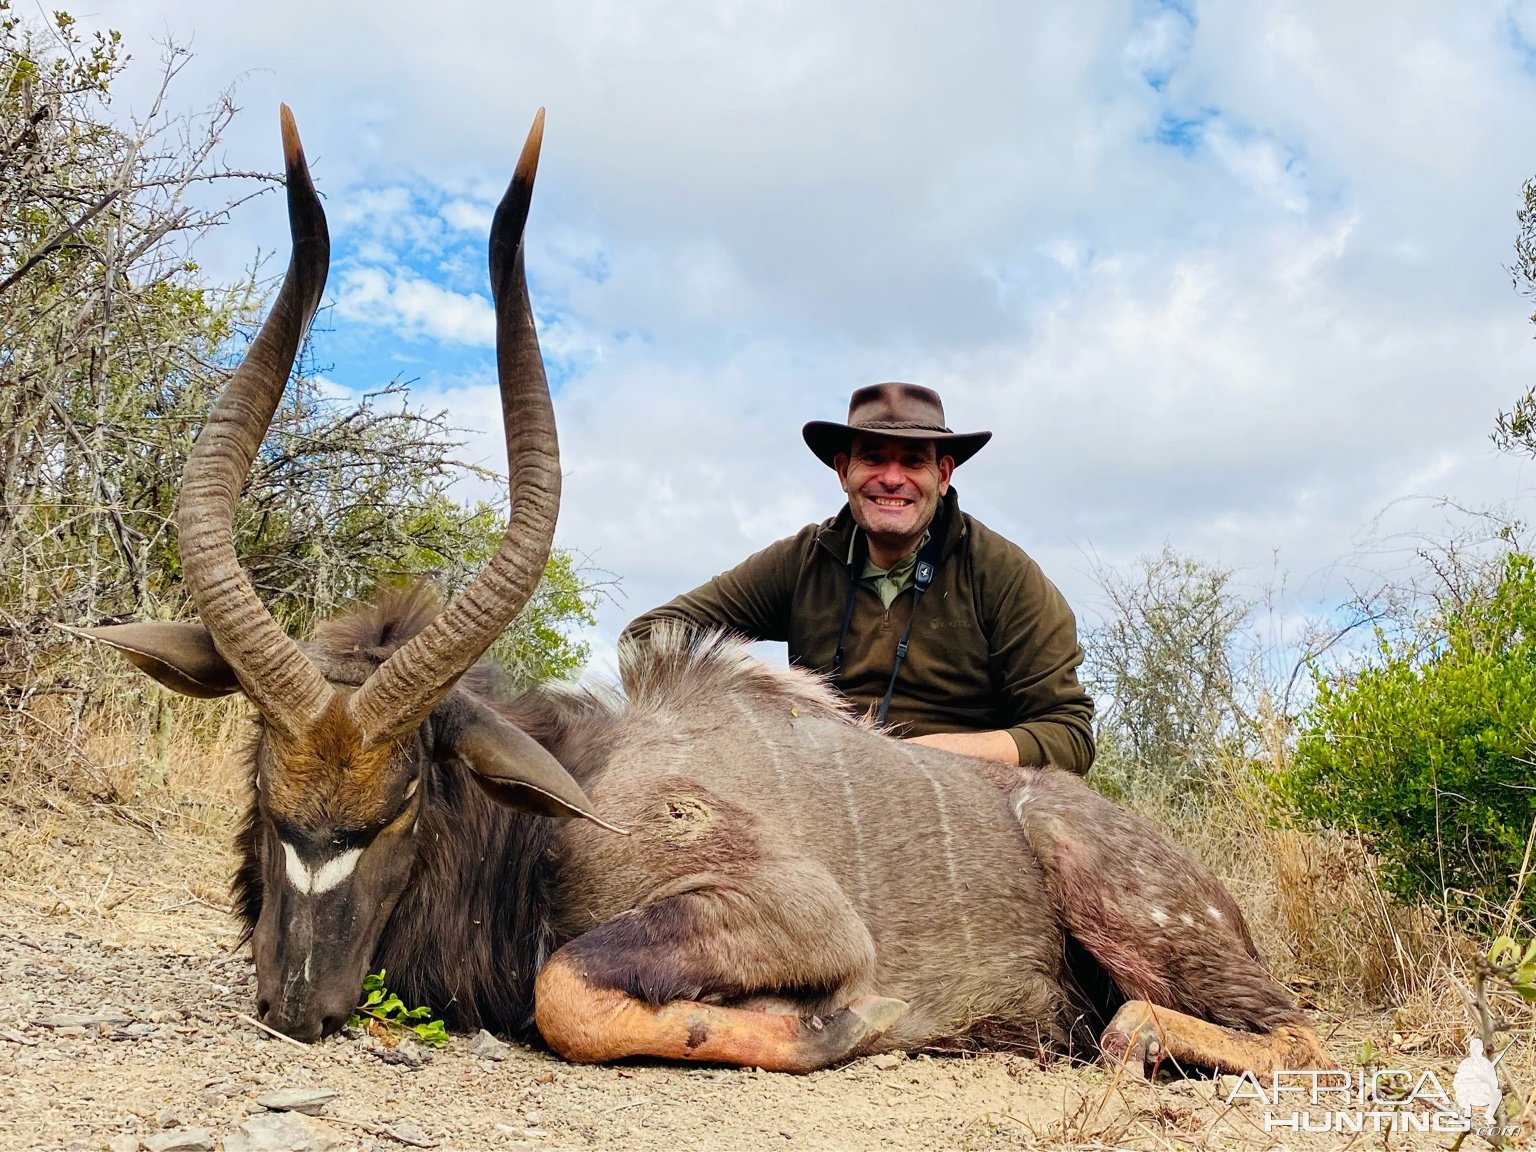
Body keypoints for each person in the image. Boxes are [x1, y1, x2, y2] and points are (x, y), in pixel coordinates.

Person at [621, 382, 1094, 772]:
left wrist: (917, 756)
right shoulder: (802, 559)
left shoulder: (1004, 574)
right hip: (824, 785)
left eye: (913, 461)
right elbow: (645, 640)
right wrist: (769, 707)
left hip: (962, 801)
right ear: (844, 470)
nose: (892, 478)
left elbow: (1068, 735)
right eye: (873, 457)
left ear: (943, 474)